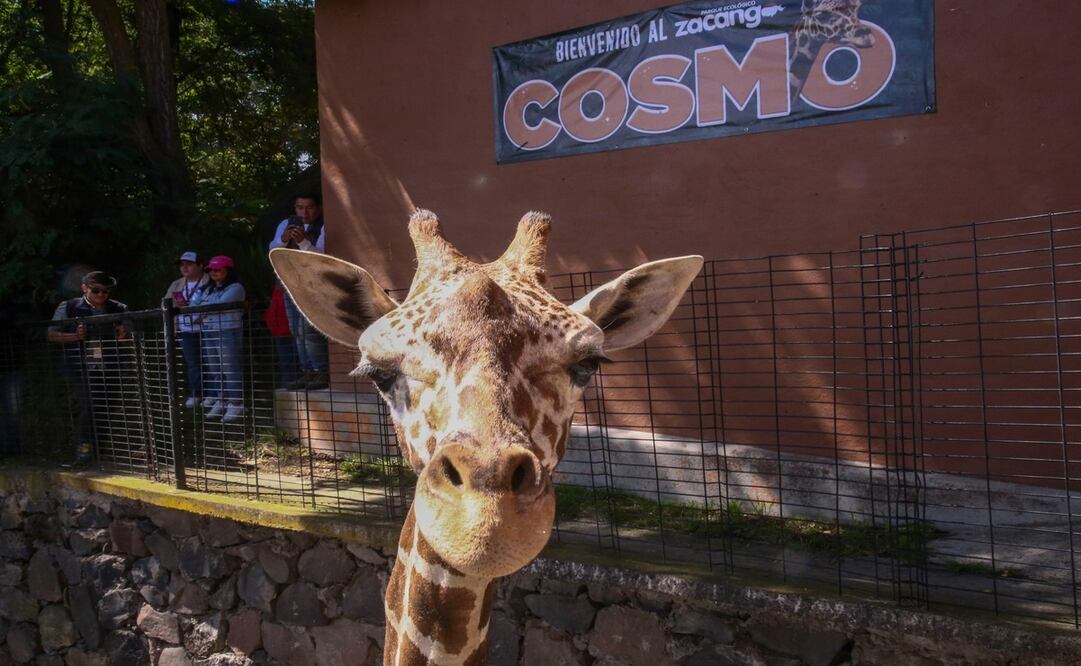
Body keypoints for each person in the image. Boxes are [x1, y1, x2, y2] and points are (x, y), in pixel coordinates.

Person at [46, 271, 130, 459]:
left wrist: (124, 334)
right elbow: (51, 334)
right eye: (96, 290)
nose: (101, 295)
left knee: (108, 406)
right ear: (84, 288)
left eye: (105, 292)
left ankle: (99, 449)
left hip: (111, 364)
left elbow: (129, 335)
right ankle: (84, 447)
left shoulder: (119, 308)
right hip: (80, 365)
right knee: (90, 404)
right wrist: (74, 336)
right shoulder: (68, 306)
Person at [269, 192, 329, 390]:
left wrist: (303, 242)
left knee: (309, 330)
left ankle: (321, 372)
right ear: (294, 209)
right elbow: (273, 249)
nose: (304, 212)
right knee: (296, 331)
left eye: (309, 207)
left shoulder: (324, 225)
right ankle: (307, 372)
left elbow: (321, 258)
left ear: (318, 208)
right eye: (300, 207)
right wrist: (284, 239)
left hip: (312, 286)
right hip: (288, 284)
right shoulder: (285, 224)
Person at [190, 256, 246, 423]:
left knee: (230, 368)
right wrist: (203, 308)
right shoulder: (207, 289)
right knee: (215, 369)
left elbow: (217, 306)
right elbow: (193, 306)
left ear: (228, 270)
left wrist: (202, 309)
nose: (213, 273)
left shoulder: (236, 288)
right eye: (210, 270)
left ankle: (236, 403)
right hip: (208, 331)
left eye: (217, 269)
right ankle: (222, 400)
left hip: (227, 331)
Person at [163, 251, 210, 408]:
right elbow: (165, 304)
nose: (184, 267)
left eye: (189, 264)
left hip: (207, 328)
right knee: (193, 363)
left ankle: (213, 395)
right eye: (182, 265)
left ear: (200, 265)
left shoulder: (209, 280)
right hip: (185, 330)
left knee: (211, 362)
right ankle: (196, 394)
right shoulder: (176, 284)